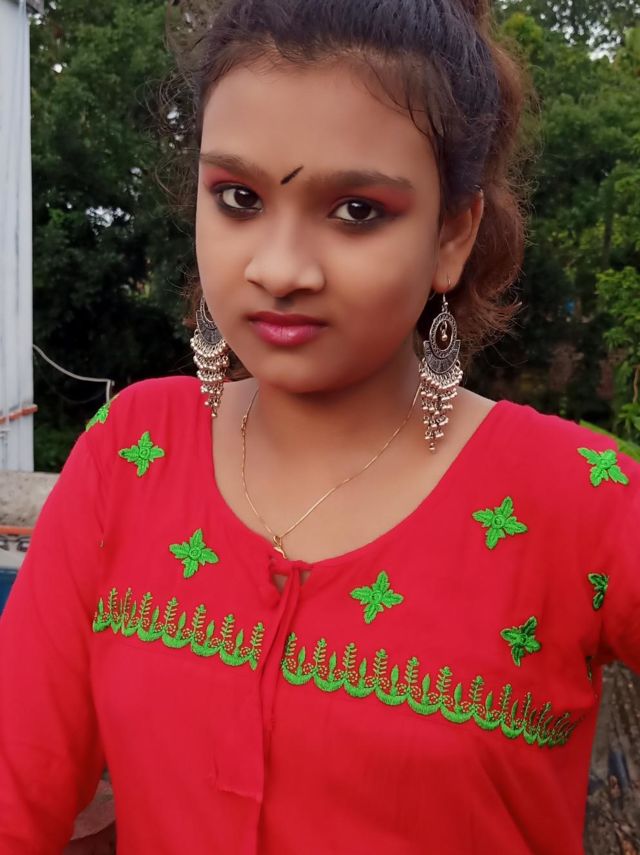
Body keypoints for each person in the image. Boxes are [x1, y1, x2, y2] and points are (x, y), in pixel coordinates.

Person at [1, 0, 638, 852]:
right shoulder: (133, 453)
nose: (279, 269)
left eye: (357, 210)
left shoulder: (577, 501)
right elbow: (16, 785)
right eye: (238, 198)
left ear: (453, 235)